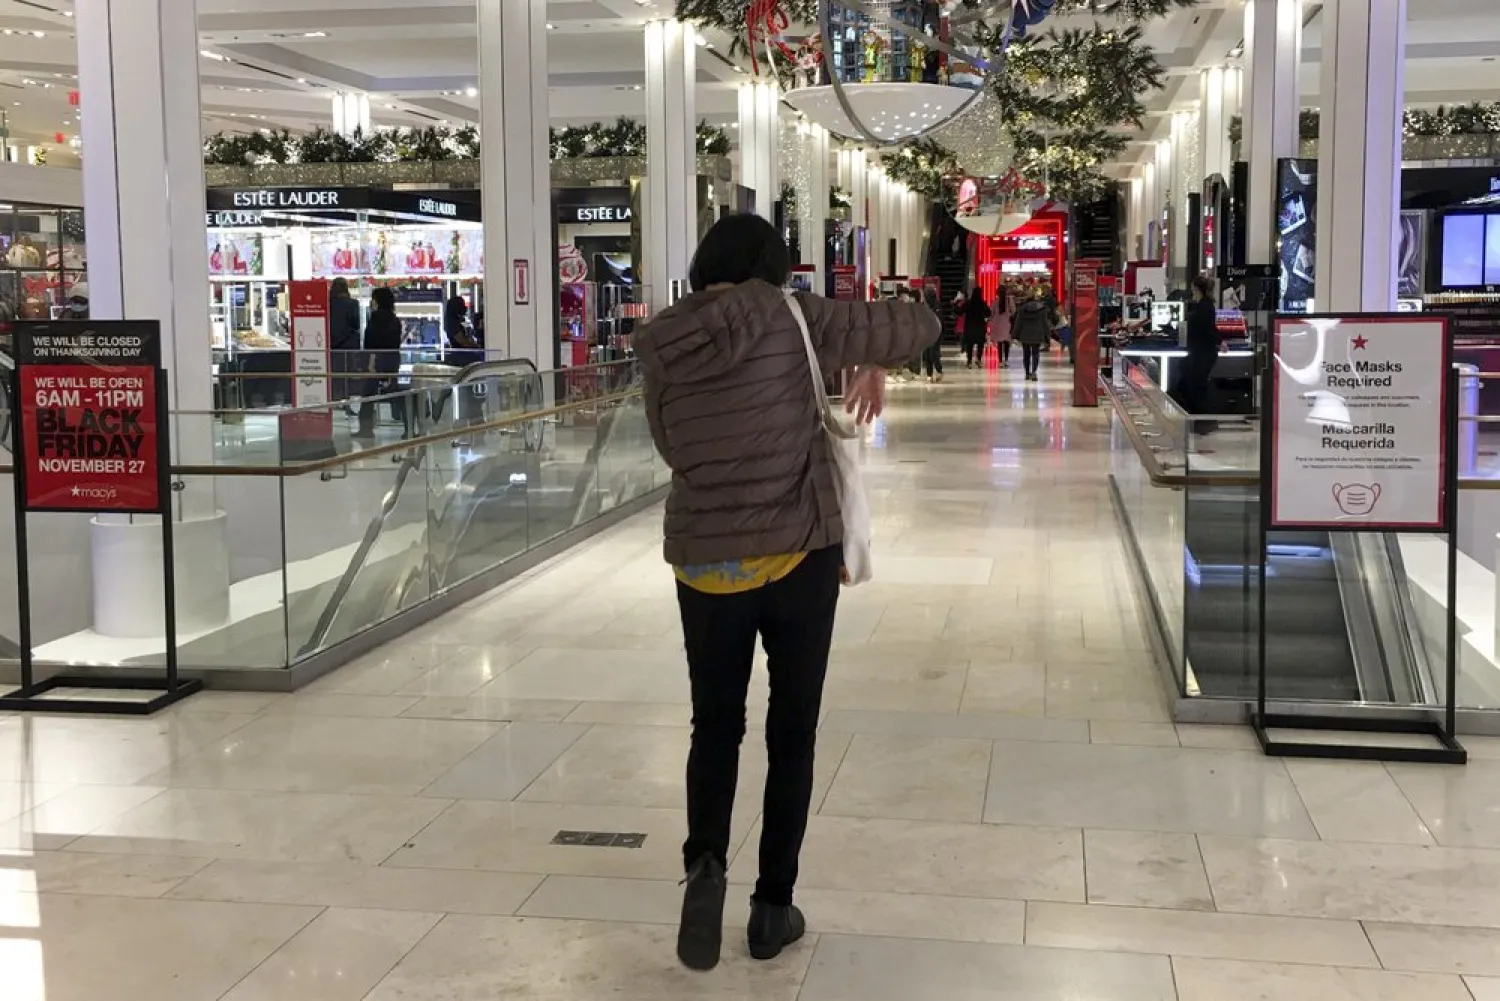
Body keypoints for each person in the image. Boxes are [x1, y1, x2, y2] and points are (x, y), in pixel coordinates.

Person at [634, 214, 938, 973]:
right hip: (797, 553)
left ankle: (705, 864)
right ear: (774, 268)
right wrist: (871, 355)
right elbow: (922, 322)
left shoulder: (665, 338)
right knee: (791, 730)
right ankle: (773, 906)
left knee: (715, 724)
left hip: (704, 561)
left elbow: (669, 443)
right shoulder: (792, 313)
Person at [1173, 274, 1221, 433]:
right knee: (1189, 382)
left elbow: (1210, 329)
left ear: (1196, 287)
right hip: (1197, 351)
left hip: (1203, 352)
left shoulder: (1206, 306)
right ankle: (1196, 418)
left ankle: (1203, 421)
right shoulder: (1201, 305)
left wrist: (1220, 342)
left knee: (1196, 385)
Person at [358, 286, 402, 439]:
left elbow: (371, 343)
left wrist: (369, 364)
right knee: (394, 392)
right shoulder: (395, 320)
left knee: (368, 395)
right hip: (392, 360)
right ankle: (408, 424)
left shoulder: (375, 318)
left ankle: (365, 428)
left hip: (376, 361)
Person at [328, 277, 362, 405]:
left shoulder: (328, 303)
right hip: (349, 346)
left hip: (333, 346)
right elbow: (356, 324)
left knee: (335, 375)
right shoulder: (353, 304)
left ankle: (335, 399)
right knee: (348, 376)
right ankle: (347, 402)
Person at [1012, 287, 1053, 382]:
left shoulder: (1021, 310)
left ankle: (1027, 373)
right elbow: (1045, 323)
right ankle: (1034, 372)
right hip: (1037, 333)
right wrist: (1048, 334)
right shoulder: (1042, 310)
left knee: (1026, 354)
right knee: (1035, 353)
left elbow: (1018, 323)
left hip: (1025, 334)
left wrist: (1014, 334)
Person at [961, 289, 990, 369]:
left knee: (969, 345)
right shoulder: (982, 303)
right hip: (980, 326)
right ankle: (979, 360)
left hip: (969, 326)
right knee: (980, 344)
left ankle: (969, 361)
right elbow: (988, 313)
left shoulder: (968, 303)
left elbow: (960, 311)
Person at [921, 288, 945, 382]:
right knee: (927, 354)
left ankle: (939, 371)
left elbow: (940, 320)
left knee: (933, 353)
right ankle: (929, 374)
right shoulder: (924, 306)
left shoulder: (937, 306)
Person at [989, 282, 1012, 366]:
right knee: (1006, 343)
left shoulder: (995, 302)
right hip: (1007, 324)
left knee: (999, 343)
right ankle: (1006, 360)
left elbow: (992, 312)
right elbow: (1013, 311)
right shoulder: (1009, 301)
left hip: (998, 324)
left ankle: (1000, 361)